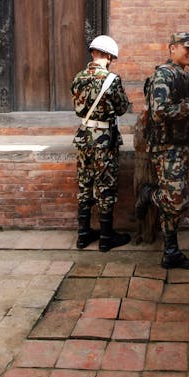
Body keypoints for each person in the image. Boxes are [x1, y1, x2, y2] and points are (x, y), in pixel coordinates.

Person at [146, 31, 189, 269]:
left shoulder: (186, 75)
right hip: (166, 147)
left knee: (177, 203)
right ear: (172, 48)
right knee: (175, 202)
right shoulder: (163, 74)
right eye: (187, 48)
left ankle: (170, 253)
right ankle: (149, 195)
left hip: (183, 147)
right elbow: (158, 111)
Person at [70, 34, 131, 251]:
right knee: (105, 185)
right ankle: (106, 238)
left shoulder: (78, 77)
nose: (110, 61)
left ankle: (83, 234)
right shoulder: (111, 80)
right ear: (106, 55)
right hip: (103, 140)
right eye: (111, 58)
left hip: (84, 137)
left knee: (85, 184)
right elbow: (123, 108)